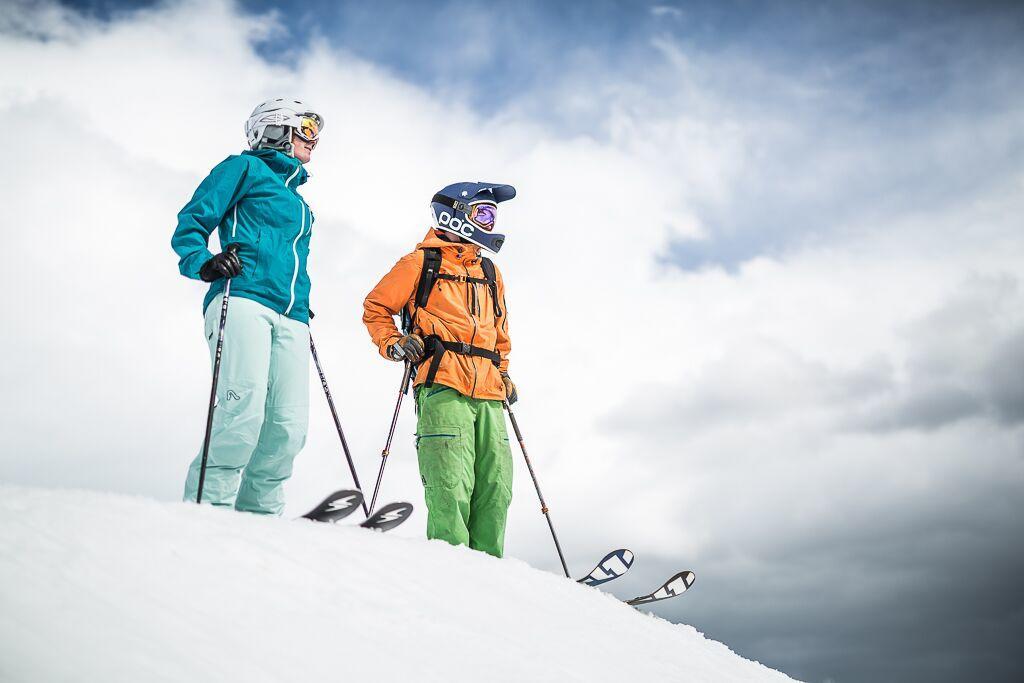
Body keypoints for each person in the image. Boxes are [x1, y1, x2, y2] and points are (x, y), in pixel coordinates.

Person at [171, 98, 323, 514]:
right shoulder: (243, 168)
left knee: (287, 429)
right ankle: (208, 510)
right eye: (306, 128)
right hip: (241, 298)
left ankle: (259, 519)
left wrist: (301, 301)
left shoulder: (299, 202)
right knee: (242, 414)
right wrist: (203, 262)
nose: (314, 139)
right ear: (275, 130)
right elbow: (193, 221)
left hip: (290, 315)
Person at [363, 182, 519, 557]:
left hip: (490, 393)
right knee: (450, 486)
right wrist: (394, 342)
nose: (489, 221)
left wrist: (504, 373)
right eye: (482, 212)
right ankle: (451, 573)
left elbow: (500, 332)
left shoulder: (489, 270)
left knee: (496, 488)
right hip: (443, 384)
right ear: (454, 214)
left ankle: (491, 575)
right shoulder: (420, 263)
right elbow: (376, 308)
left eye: (491, 214)